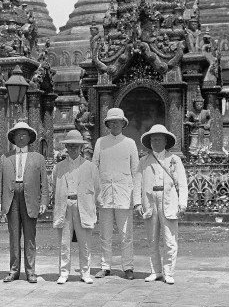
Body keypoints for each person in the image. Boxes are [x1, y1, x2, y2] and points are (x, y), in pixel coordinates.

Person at [0, 122, 49, 283]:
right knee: (14, 236)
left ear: (29, 137)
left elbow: (44, 183)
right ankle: (14, 270)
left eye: (24, 134)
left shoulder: (38, 158)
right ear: (13, 137)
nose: (21, 137)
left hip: (30, 198)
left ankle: (31, 271)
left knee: (30, 236)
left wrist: (44, 201)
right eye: (17, 134)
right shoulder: (5, 157)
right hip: (11, 198)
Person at [93, 108, 141, 280]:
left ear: (123, 123)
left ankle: (128, 266)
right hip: (104, 194)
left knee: (126, 234)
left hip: (124, 194)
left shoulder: (130, 143)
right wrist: (94, 194)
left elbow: (136, 172)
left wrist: (137, 199)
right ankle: (105, 266)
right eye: (111, 122)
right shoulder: (100, 142)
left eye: (117, 121)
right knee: (104, 233)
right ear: (107, 124)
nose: (114, 124)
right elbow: (94, 169)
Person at [138, 124, 188, 285]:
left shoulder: (174, 160)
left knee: (169, 239)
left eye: (159, 139)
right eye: (153, 139)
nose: (156, 142)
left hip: (169, 201)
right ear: (149, 142)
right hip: (150, 201)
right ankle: (155, 271)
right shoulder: (144, 161)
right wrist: (137, 203)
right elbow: (137, 182)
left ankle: (169, 272)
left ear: (166, 141)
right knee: (152, 239)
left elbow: (182, 183)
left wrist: (182, 203)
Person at [52, 130, 99, 285]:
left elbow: (97, 188)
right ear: (67, 148)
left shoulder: (90, 167)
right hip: (64, 205)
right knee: (64, 242)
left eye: (76, 146)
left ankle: (85, 272)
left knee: (84, 241)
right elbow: (54, 186)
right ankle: (64, 272)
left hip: (82, 205)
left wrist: (89, 203)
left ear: (81, 148)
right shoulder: (59, 167)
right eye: (70, 146)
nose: (73, 149)